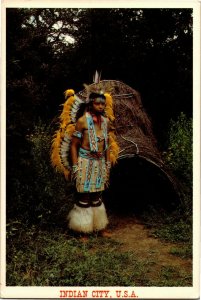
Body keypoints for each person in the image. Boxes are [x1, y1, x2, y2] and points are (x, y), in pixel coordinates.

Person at [67, 92, 112, 237]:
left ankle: (100, 228)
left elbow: (107, 145)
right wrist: (75, 166)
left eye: (102, 103)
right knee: (84, 197)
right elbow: (74, 145)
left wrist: (107, 164)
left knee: (97, 195)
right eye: (97, 103)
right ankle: (83, 231)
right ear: (90, 104)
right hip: (85, 162)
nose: (100, 106)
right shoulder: (82, 121)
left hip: (99, 163)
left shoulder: (105, 121)